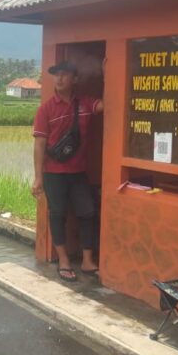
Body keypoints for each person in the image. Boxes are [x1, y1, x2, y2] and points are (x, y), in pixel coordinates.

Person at [31, 61, 103, 283]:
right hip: (53, 172)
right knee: (57, 214)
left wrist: (108, 72)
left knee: (87, 212)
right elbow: (39, 145)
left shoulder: (85, 104)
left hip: (78, 172)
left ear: (75, 79)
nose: (59, 79)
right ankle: (63, 260)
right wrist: (38, 177)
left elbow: (106, 106)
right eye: (56, 75)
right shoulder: (46, 109)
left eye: (64, 74)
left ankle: (87, 261)